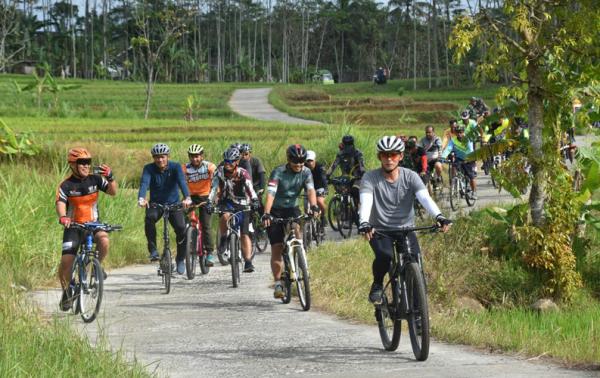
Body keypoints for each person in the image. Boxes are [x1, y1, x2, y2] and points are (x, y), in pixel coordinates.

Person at [357, 136, 451, 304]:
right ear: (380, 157)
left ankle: (418, 314)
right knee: (385, 256)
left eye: (393, 155)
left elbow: (425, 198)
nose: (389, 159)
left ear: (400, 156)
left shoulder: (411, 176)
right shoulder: (370, 178)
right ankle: (378, 284)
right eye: (385, 155)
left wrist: (439, 216)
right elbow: (366, 202)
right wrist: (364, 222)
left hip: (406, 229)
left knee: (414, 261)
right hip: (380, 230)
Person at [57, 147, 117, 311]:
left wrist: (110, 177)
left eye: (88, 162)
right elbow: (60, 203)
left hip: (93, 224)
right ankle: (68, 291)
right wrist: (63, 217)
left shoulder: (96, 179)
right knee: (66, 262)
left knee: (104, 240)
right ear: (72, 165)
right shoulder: (66, 185)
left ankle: (96, 266)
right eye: (81, 163)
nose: (86, 166)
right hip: (74, 227)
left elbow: (113, 192)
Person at [262, 144, 320, 299]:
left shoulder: (306, 172)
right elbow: (271, 194)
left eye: (302, 161)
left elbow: (310, 190)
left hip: (292, 209)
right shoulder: (278, 172)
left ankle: (299, 257)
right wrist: (267, 213)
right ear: (288, 160)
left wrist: (314, 206)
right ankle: (278, 283)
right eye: (296, 162)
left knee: (296, 230)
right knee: (277, 246)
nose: (299, 165)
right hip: (274, 210)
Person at [138, 143, 192, 275]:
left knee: (181, 228)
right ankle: (153, 250)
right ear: (153, 158)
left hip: (174, 204)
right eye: (156, 157)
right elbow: (144, 183)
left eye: (162, 157)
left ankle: (180, 258)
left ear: (167, 156)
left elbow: (182, 182)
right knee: (149, 218)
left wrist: (187, 197)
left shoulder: (175, 167)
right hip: (157, 204)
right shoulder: (149, 168)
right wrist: (141, 198)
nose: (160, 160)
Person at [208, 147, 260, 273]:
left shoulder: (243, 173)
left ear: (237, 162)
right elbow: (214, 188)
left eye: (231, 161)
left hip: (243, 202)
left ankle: (248, 262)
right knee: (224, 216)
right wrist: (209, 202)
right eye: (226, 161)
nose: (228, 164)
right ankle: (223, 239)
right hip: (227, 201)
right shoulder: (219, 172)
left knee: (244, 234)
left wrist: (255, 200)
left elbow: (250, 188)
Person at [182, 144, 217, 266]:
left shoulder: (210, 167)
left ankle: (210, 252)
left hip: (206, 197)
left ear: (202, 156)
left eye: (197, 156)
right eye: (192, 157)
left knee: (206, 224)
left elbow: (217, 183)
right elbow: (179, 184)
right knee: (180, 222)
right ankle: (183, 252)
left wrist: (215, 197)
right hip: (190, 197)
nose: (194, 159)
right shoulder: (184, 168)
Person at [326, 135, 366, 208]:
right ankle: (343, 211)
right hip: (345, 177)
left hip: (357, 177)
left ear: (352, 144)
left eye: (349, 144)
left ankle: (360, 209)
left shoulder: (357, 153)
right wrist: (327, 176)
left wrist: (362, 173)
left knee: (355, 190)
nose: (348, 147)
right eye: (346, 144)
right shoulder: (340, 154)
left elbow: (362, 166)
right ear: (343, 144)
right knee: (340, 190)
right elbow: (333, 166)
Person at [442, 126, 477, 200]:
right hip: (459, 158)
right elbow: (448, 149)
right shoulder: (453, 140)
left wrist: (468, 159)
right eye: (457, 132)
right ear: (455, 133)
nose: (459, 134)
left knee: (471, 176)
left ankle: (474, 192)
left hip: (469, 158)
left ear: (463, 132)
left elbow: (470, 149)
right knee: (453, 167)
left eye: (461, 132)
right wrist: (443, 157)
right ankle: (455, 186)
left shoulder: (467, 139)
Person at [304, 150, 328, 230]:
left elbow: (323, 178)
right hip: (308, 189)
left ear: (314, 160)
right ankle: (308, 227)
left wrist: (326, 189)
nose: (309, 163)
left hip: (319, 187)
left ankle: (323, 216)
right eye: (308, 161)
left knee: (320, 201)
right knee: (306, 208)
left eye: (311, 160)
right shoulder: (303, 167)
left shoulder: (320, 167)